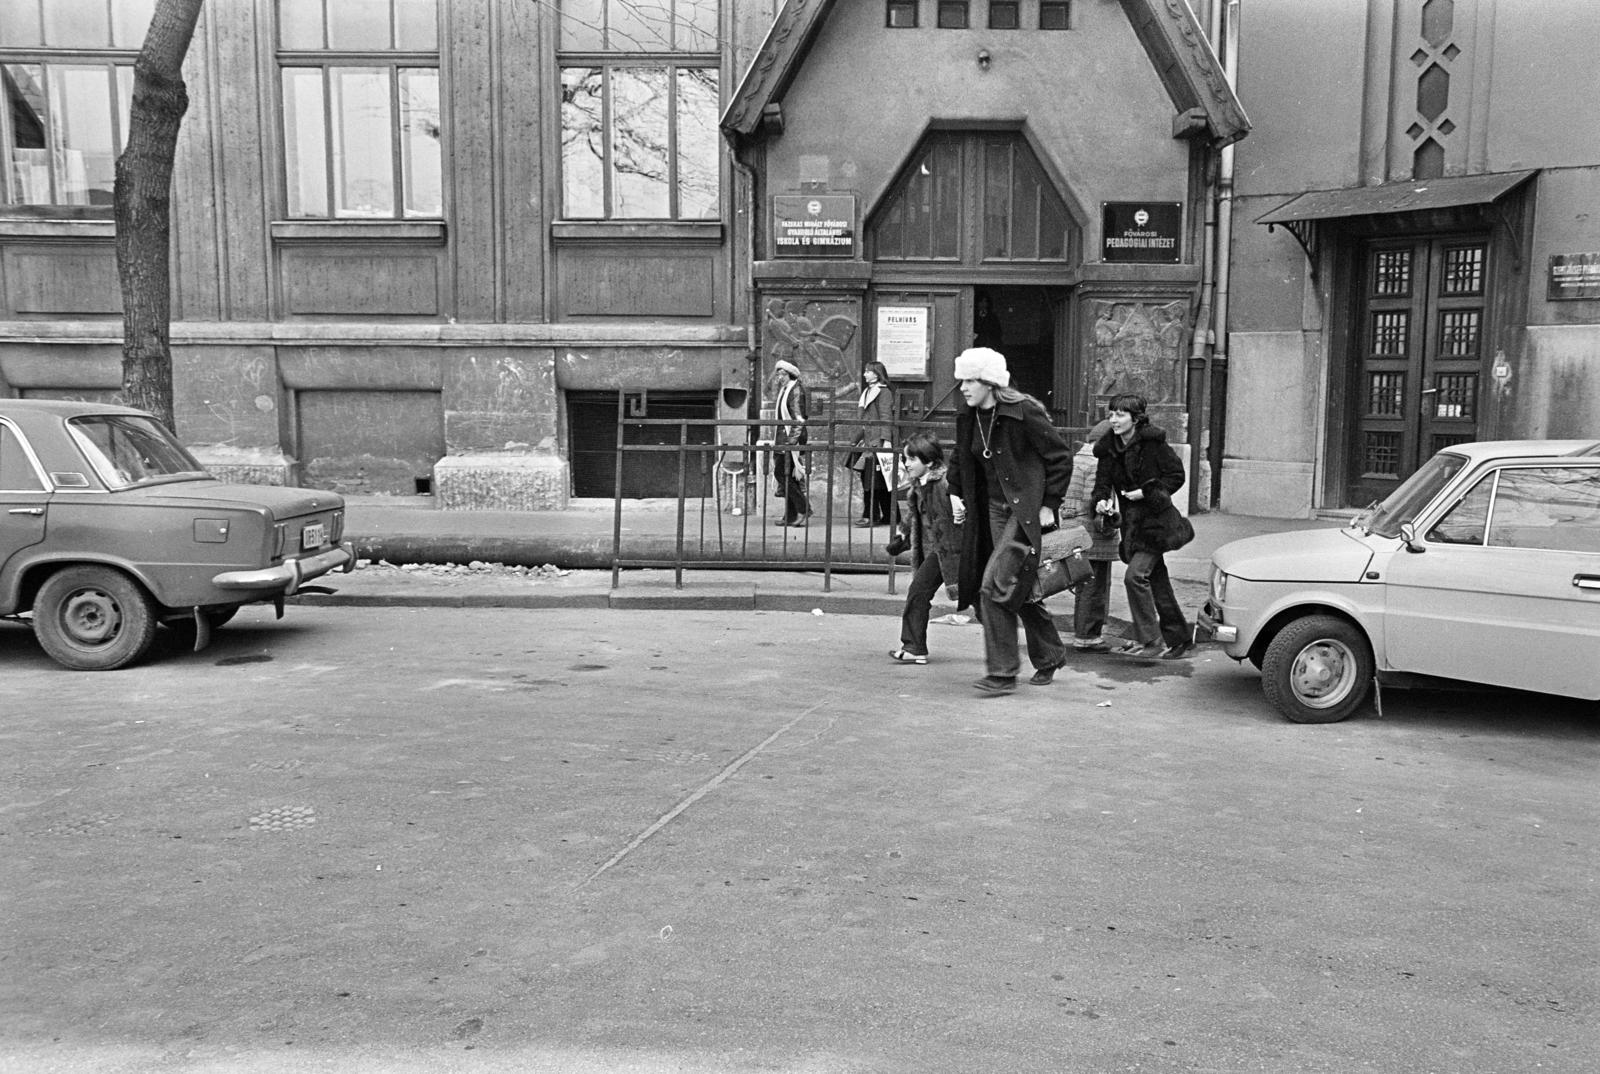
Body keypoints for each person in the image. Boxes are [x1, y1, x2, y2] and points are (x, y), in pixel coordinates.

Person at [947, 346, 1074, 694]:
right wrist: (955, 492)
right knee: (1014, 586)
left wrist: (1050, 504)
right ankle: (1049, 655)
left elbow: (1060, 457)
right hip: (989, 510)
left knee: (994, 587)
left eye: (971, 380)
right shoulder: (969, 416)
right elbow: (961, 457)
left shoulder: (1023, 411)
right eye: (963, 381)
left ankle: (1002, 674)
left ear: (990, 382)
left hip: (1024, 513)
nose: (964, 388)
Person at [1091, 393, 1193, 658]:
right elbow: (1102, 484)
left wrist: (1147, 492)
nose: (1114, 420)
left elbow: (1176, 476)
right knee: (1157, 582)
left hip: (1156, 525)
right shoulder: (1109, 449)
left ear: (1136, 419)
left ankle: (1151, 641)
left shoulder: (1153, 444)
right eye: (1111, 414)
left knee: (1135, 577)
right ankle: (1179, 639)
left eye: (1120, 414)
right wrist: (1102, 501)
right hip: (1132, 527)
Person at [884, 433, 963, 665]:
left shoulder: (945, 485)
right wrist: (902, 536)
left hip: (955, 552)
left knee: (988, 604)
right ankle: (914, 646)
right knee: (918, 593)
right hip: (940, 552)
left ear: (928, 462)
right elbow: (913, 514)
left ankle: (1029, 650)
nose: (906, 464)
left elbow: (963, 518)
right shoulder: (919, 485)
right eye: (905, 459)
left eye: (911, 459)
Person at [1065, 417, 1118, 652]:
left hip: (1072, 529)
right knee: (1094, 586)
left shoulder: (1077, 459)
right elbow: (1094, 500)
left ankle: (1083, 632)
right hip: (1091, 533)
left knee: (1084, 583)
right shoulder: (1098, 462)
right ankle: (1088, 635)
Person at [849, 362, 896, 527]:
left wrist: (886, 441)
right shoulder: (868, 391)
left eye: (868, 372)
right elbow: (863, 421)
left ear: (877, 374)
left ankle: (870, 516)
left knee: (871, 480)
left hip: (877, 442)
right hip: (868, 441)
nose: (864, 374)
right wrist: (855, 440)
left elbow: (885, 417)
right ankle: (891, 515)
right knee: (878, 480)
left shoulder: (884, 393)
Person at [769, 359, 810, 526]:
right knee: (787, 476)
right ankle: (791, 515)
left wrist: (792, 442)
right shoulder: (785, 389)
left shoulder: (795, 390)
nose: (780, 377)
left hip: (790, 439)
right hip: (782, 439)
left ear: (791, 374)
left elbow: (799, 418)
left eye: (783, 374)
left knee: (783, 474)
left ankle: (803, 509)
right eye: (778, 374)